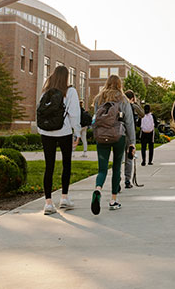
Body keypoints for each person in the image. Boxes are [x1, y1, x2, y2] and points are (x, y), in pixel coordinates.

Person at [36, 65, 81, 215]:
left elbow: (39, 111)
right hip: (64, 131)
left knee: (49, 166)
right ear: (66, 76)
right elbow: (74, 114)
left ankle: (48, 203)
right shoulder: (70, 91)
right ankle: (64, 198)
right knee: (66, 164)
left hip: (46, 132)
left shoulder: (45, 91)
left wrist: (40, 129)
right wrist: (77, 132)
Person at [91, 75, 136, 214]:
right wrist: (132, 142)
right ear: (119, 84)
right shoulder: (123, 99)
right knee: (117, 167)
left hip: (102, 136)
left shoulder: (98, 98)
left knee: (102, 169)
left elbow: (96, 118)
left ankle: (98, 189)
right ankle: (113, 200)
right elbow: (129, 122)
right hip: (118, 136)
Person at [123, 90, 144, 189]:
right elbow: (142, 114)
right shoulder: (132, 106)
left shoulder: (120, 104)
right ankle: (127, 180)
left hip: (119, 133)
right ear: (132, 98)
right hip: (130, 134)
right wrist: (135, 103)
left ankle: (117, 181)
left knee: (119, 158)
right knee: (129, 157)